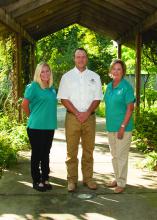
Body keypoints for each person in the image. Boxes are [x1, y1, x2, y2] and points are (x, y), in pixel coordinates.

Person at [57, 48, 103, 192]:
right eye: (78, 56)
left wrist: (87, 112)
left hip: (89, 118)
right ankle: (71, 180)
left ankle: (88, 179)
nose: (81, 59)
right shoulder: (67, 77)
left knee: (88, 150)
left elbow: (98, 97)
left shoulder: (95, 76)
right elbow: (63, 98)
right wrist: (77, 113)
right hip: (72, 118)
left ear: (86, 58)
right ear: (74, 58)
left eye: (83, 56)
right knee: (71, 151)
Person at [21, 62, 57, 192]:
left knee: (46, 153)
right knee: (37, 154)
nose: (45, 74)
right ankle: (36, 180)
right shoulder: (33, 87)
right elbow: (24, 104)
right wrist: (32, 116)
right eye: (42, 71)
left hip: (49, 127)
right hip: (36, 127)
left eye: (47, 71)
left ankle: (45, 178)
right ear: (38, 73)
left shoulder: (52, 88)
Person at [104, 59, 135, 193]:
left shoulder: (126, 87)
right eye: (114, 69)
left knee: (121, 156)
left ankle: (121, 183)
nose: (116, 71)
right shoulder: (109, 86)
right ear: (111, 71)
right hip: (111, 127)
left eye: (119, 69)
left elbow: (130, 108)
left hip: (123, 128)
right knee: (114, 155)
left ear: (123, 72)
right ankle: (117, 177)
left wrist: (122, 126)